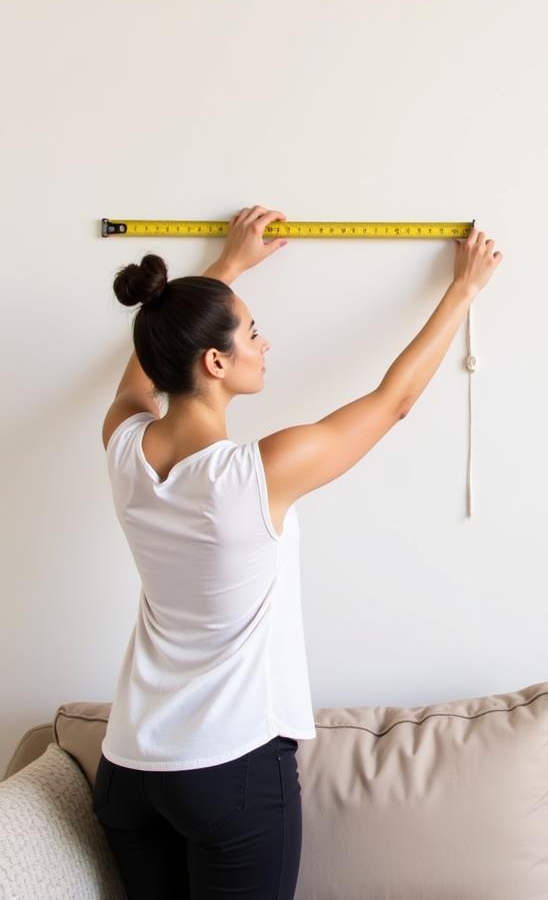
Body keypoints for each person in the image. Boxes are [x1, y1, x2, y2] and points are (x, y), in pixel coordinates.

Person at [93, 205, 502, 899]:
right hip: (228, 771)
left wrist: (226, 270)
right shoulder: (254, 474)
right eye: (252, 331)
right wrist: (463, 291)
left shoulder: (125, 448)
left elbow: (147, 367)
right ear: (216, 361)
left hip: (128, 771)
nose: (266, 342)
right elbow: (393, 402)